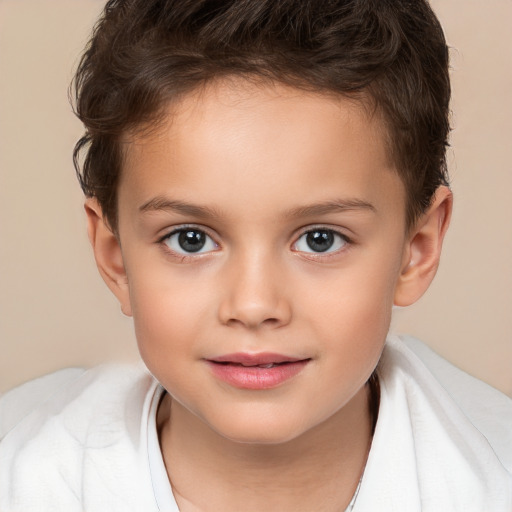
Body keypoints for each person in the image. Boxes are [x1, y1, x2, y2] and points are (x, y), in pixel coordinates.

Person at [0, 0, 511, 510]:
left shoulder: (493, 480)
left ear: (415, 251)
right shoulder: (24, 479)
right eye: (191, 239)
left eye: (320, 239)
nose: (253, 305)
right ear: (116, 259)